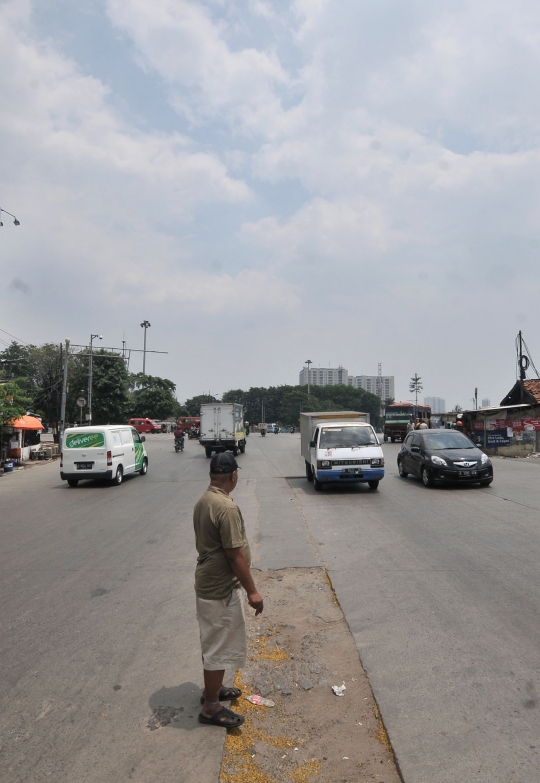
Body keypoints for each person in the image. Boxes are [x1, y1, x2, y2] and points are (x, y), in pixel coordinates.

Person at [193, 452, 263, 728]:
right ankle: (211, 707)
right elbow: (235, 556)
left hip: (209, 581)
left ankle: (214, 689)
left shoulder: (205, 500)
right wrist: (252, 592)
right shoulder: (226, 508)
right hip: (219, 588)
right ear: (234, 476)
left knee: (215, 642)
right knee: (218, 647)